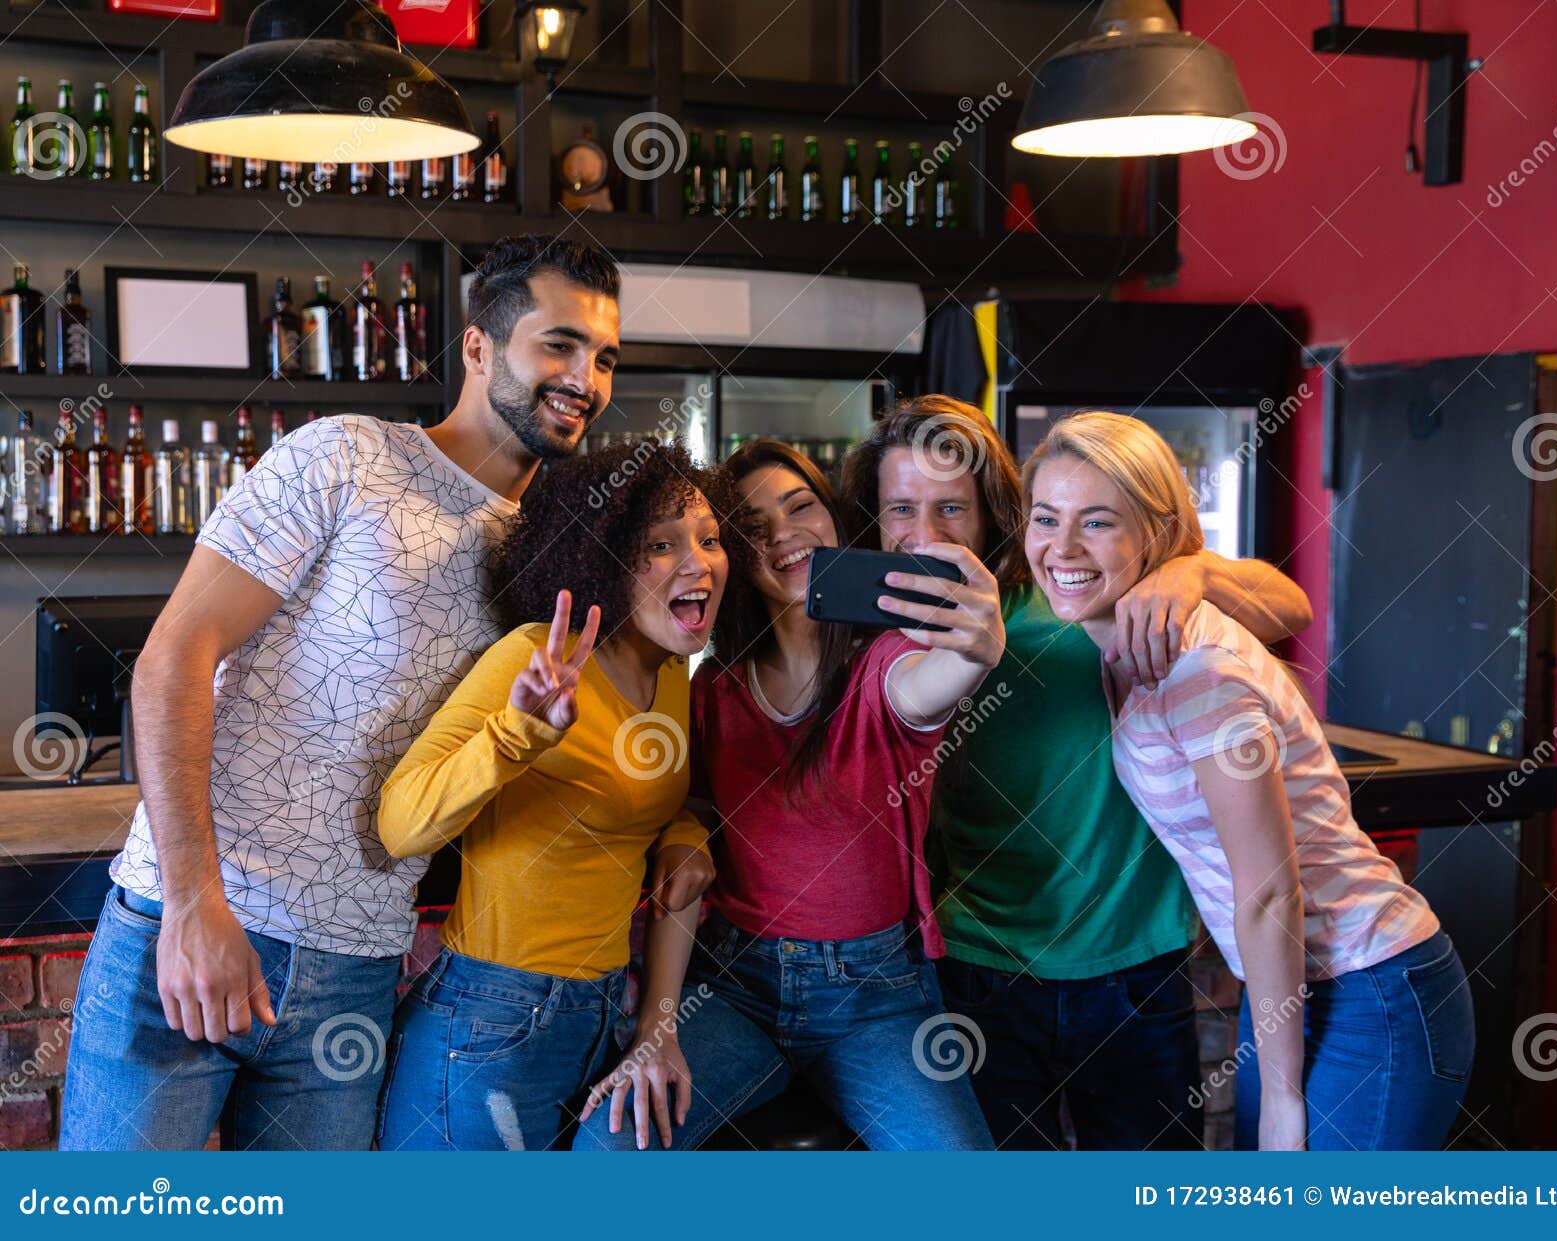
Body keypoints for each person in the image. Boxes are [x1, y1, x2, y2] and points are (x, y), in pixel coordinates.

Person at [58, 235, 702, 1151]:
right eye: (557, 344)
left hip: (356, 970)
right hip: (195, 927)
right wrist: (196, 903)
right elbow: (173, 657)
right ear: (479, 346)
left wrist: (681, 824)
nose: (585, 377)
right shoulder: (344, 456)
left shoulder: (557, 549)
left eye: (604, 358)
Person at [837, 394, 1313, 1150]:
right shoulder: (882, 639)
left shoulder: (1075, 591)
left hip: (1135, 968)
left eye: (951, 508)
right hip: (981, 969)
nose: (924, 535)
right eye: (901, 508)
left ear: (994, 512)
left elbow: (1290, 604)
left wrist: (1188, 573)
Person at [1022, 410, 1471, 1151]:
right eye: (1047, 517)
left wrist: (1281, 1101)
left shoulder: (1197, 671)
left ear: (1154, 535)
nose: (1062, 547)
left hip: (1374, 990)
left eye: (1097, 522)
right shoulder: (1123, 644)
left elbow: (1268, 889)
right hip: (1299, 989)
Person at [575, 439, 1000, 1151]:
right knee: (611, 1148)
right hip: (737, 987)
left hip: (878, 998)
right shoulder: (713, 690)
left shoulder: (886, 660)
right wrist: (659, 1025)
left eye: (800, 505)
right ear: (732, 556)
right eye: (750, 526)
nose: (782, 532)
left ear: (835, 519)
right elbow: (688, 865)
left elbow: (925, 691)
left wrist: (972, 650)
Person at [374, 441, 729, 1151]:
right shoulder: (537, 656)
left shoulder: (672, 674)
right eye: (661, 544)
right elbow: (399, 822)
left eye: (710, 538)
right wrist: (518, 732)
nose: (699, 562)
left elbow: (640, 801)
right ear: (600, 556)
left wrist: (687, 832)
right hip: (489, 1017)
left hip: (599, 1013)